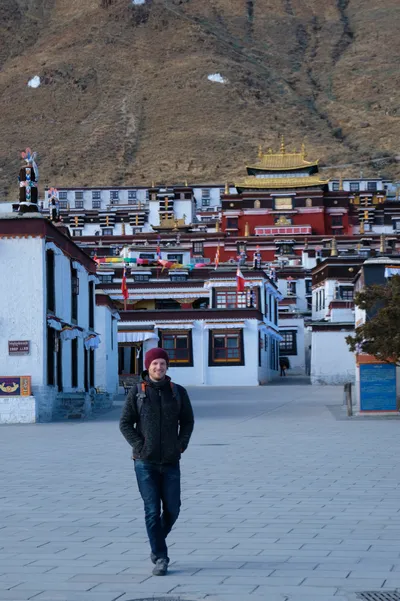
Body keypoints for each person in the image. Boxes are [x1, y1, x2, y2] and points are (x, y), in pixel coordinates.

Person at [119, 348, 194, 576]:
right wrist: (140, 446)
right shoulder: (137, 392)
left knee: (173, 509)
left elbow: (188, 421)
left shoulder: (178, 392)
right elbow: (125, 423)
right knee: (152, 510)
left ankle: (156, 540)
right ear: (147, 366)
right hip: (145, 462)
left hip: (171, 461)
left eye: (162, 363)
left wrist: (180, 445)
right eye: (154, 364)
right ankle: (161, 556)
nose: (158, 367)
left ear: (167, 366)